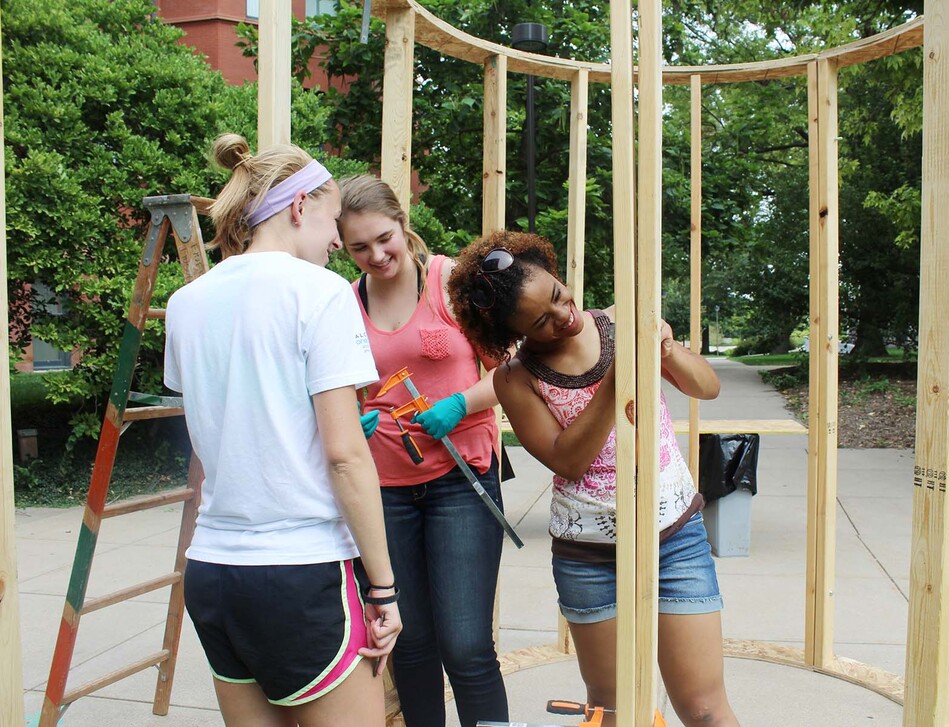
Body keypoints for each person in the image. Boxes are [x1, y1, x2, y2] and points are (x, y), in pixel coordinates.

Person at [449, 231, 743, 727]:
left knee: (704, 707)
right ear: (512, 334)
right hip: (589, 556)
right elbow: (568, 461)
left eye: (559, 295)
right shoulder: (516, 379)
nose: (564, 315)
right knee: (611, 709)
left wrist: (665, 350)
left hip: (674, 538)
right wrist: (616, 383)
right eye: (541, 321)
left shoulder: (622, 323)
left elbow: (707, 387)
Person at [164, 134, 401, 727]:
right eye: (331, 222)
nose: (335, 244)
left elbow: (217, 432)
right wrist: (384, 589)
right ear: (299, 208)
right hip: (302, 571)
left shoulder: (187, 302)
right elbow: (345, 456)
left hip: (215, 574)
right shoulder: (319, 293)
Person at [338, 174, 509, 727]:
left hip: (463, 482)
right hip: (383, 491)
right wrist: (350, 421)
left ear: (402, 223)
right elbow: (337, 388)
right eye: (359, 247)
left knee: (465, 647)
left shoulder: (451, 281)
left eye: (383, 238)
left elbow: (514, 368)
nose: (376, 255)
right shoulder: (344, 302)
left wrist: (462, 403)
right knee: (408, 647)